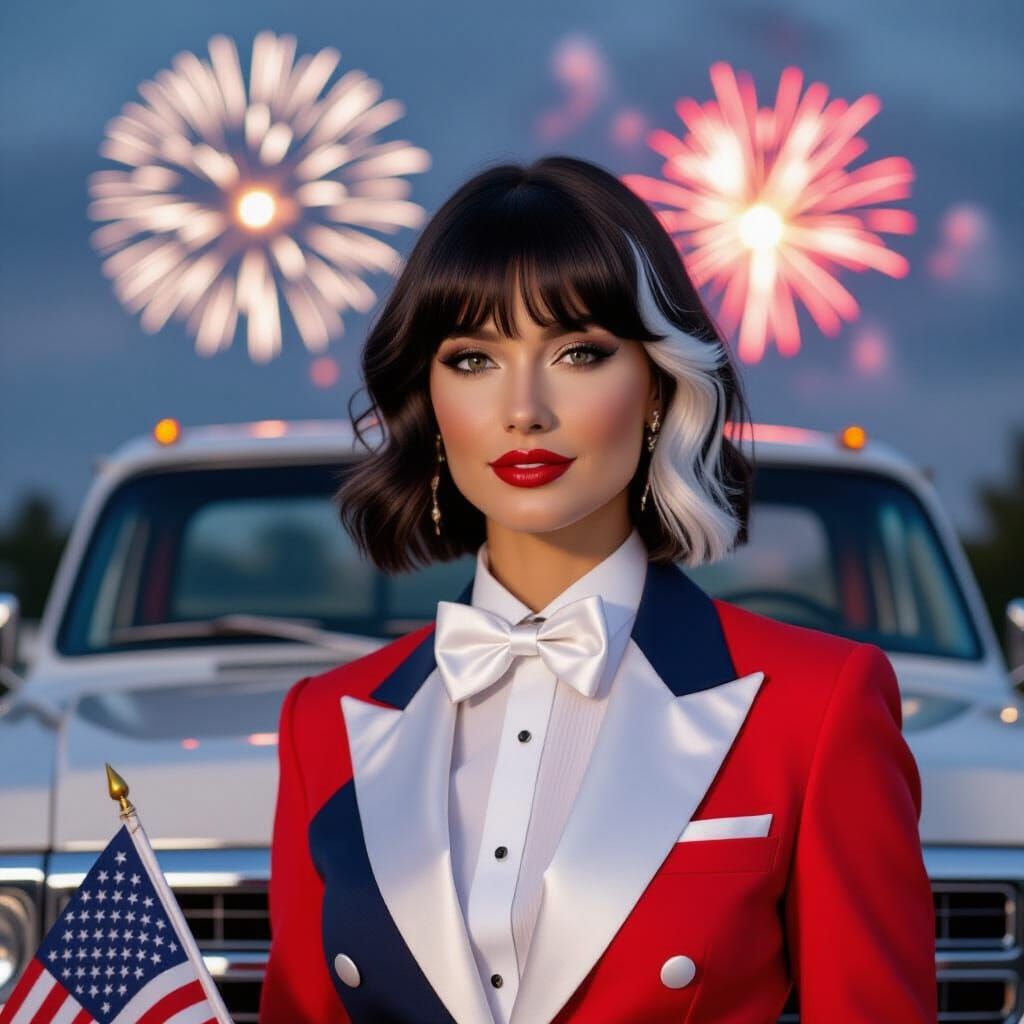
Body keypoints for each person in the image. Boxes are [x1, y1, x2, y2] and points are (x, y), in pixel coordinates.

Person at [258, 156, 937, 1023]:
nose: (524, 409)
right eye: (473, 359)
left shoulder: (818, 706)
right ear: (427, 397)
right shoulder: (324, 721)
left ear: (658, 385)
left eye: (579, 352)